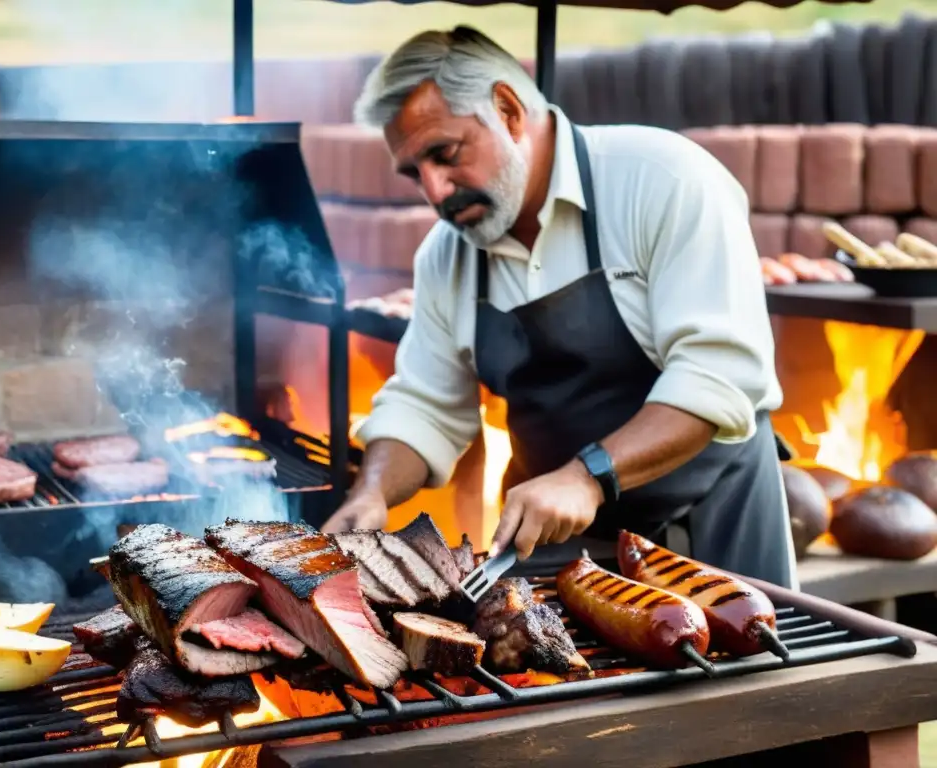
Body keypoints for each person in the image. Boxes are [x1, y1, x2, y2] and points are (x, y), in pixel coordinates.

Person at [320, 25, 798, 587]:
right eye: (414, 173)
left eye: (444, 154)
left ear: (507, 108)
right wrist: (371, 493)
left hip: (718, 532)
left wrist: (586, 477)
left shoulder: (665, 180)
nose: (436, 192)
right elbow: (424, 406)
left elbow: (715, 376)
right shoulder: (446, 256)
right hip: (560, 552)